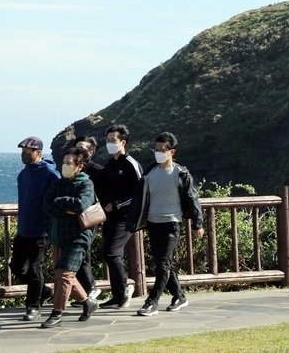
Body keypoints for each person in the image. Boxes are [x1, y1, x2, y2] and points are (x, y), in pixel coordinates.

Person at [133, 131, 205, 317]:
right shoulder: (149, 173)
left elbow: (192, 198)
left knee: (163, 264)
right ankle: (179, 296)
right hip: (152, 223)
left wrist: (198, 224)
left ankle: (152, 302)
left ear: (172, 152)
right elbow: (140, 199)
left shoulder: (181, 173)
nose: (158, 153)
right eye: (156, 149)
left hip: (172, 223)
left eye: (162, 149)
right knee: (163, 262)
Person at [39, 147, 100, 328]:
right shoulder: (59, 183)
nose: (64, 166)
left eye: (68, 163)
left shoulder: (86, 184)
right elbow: (46, 204)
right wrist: (66, 207)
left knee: (64, 274)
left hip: (78, 236)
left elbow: (80, 204)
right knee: (63, 274)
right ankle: (87, 302)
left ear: (79, 166)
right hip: (59, 234)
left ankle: (57, 313)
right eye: (63, 162)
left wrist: (60, 202)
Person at [94, 124, 143, 309]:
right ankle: (118, 295)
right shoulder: (109, 164)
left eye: (112, 140)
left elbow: (140, 192)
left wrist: (117, 204)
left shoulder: (131, 164)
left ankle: (124, 289)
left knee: (111, 252)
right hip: (109, 217)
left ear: (123, 142)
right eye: (107, 140)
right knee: (110, 253)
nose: (109, 144)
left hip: (126, 218)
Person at [12, 136, 60, 321]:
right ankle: (45, 291)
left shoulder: (49, 173)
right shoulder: (23, 174)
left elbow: (58, 195)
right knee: (17, 267)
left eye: (27, 151)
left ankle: (33, 306)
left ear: (38, 153)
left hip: (41, 231)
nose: (23, 154)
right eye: (23, 151)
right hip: (24, 229)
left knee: (34, 268)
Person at [68, 136, 104, 308]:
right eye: (76, 148)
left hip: (90, 217)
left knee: (82, 253)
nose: (78, 151)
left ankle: (90, 288)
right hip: (73, 218)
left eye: (82, 149)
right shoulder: (72, 170)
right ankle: (85, 291)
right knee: (80, 255)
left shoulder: (98, 171)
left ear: (91, 152)